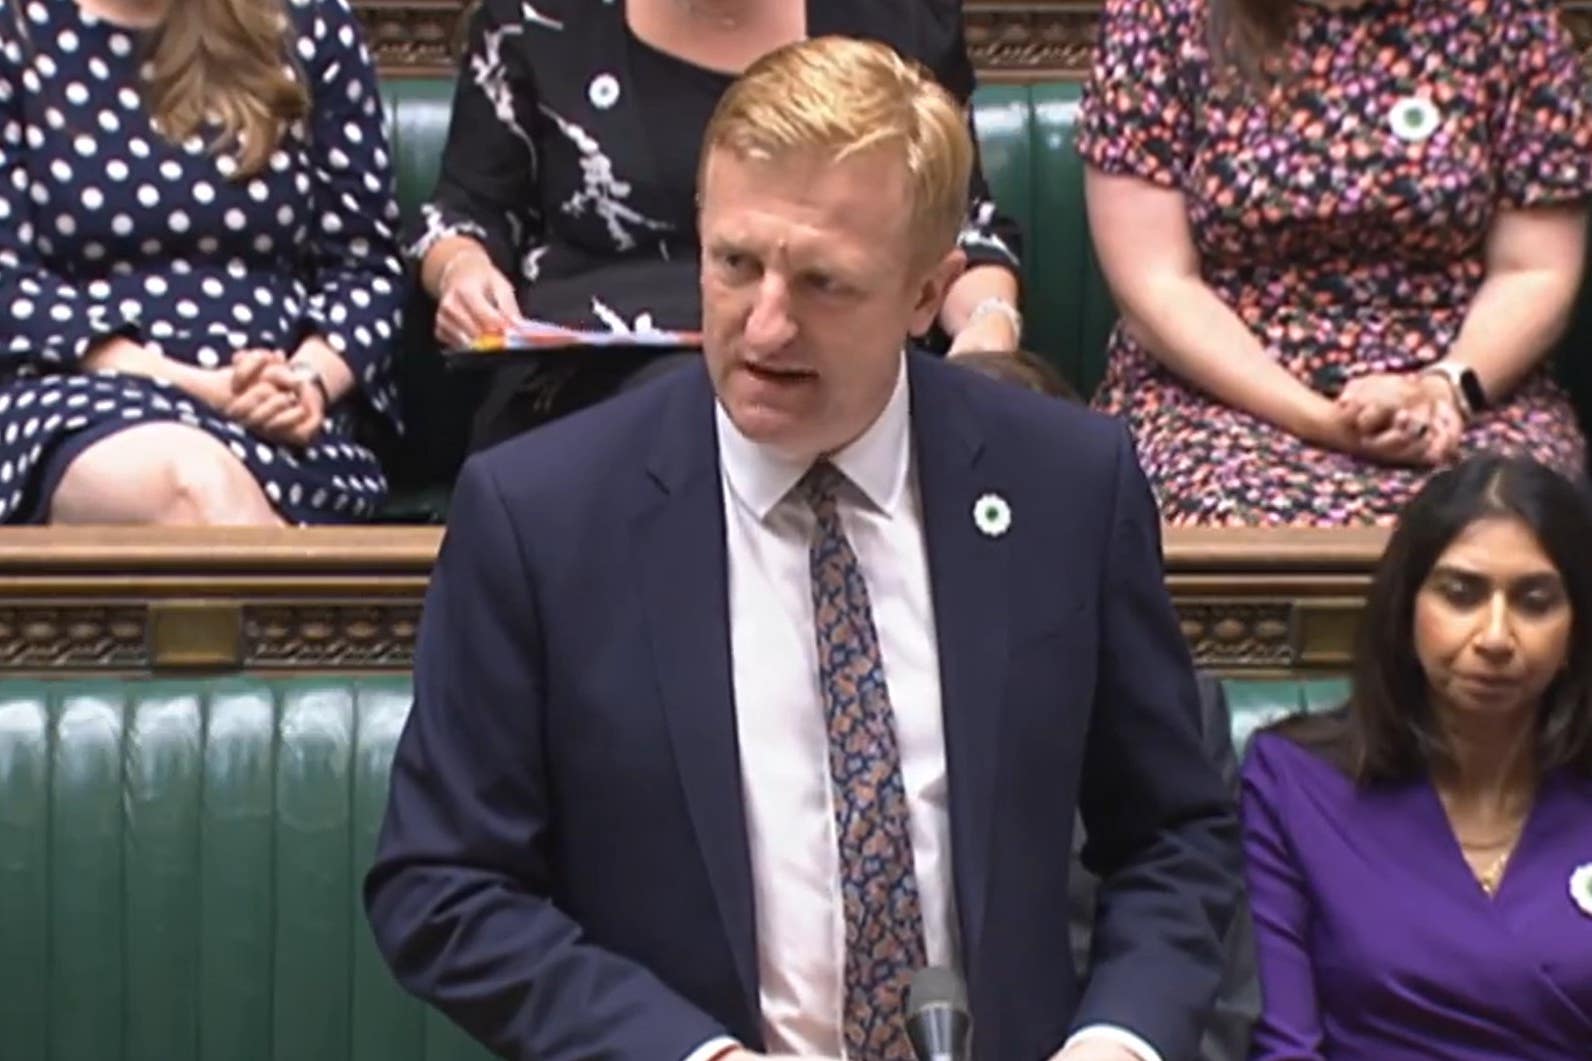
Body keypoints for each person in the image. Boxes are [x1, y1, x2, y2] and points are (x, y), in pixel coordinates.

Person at [367, 36, 1240, 1061]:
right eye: (734, 263)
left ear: (927, 293)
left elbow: (1172, 836)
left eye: (824, 283)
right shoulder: (541, 514)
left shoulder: (1064, 486)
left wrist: (1116, 1041)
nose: (764, 325)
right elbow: (442, 883)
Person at [416, 0, 1023, 449]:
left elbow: (962, 229)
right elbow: (464, 213)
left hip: (836, 371)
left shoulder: (898, 20)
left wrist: (988, 325)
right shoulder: (536, 17)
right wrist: (463, 272)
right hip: (584, 384)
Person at [1076, 0, 1592, 525]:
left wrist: (1444, 387)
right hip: (1218, 393)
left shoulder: (1510, 17)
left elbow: (1534, 269)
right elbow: (1157, 282)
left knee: (1506, 520)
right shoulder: (1162, 16)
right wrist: (1322, 420)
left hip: (1469, 390)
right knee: (1230, 520)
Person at [0, 0, 403, 525]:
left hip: (278, 420)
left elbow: (366, 269)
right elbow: (8, 285)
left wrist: (306, 381)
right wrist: (195, 385)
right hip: (68, 400)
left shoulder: (307, 23)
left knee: (208, 485)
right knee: (194, 485)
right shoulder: (15, 32)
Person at [1241, 455, 1592, 1058]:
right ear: (1407, 612)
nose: (1495, 638)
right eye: (1462, 595)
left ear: (1577, 630)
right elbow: (1284, 1044)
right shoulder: (1294, 783)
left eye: (1535, 602)